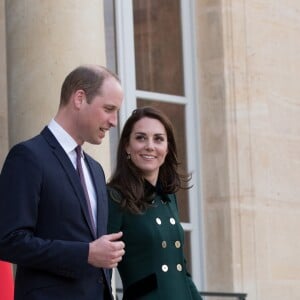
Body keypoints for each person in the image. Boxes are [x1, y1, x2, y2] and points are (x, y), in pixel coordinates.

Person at [0, 64, 125, 300]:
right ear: (79, 98)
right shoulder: (28, 156)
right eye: (108, 109)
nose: (114, 121)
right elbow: (8, 241)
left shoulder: (96, 170)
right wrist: (85, 253)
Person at [107, 106, 202, 299]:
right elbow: (101, 271)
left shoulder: (168, 197)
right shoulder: (114, 196)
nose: (150, 146)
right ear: (127, 145)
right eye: (141, 137)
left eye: (158, 139)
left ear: (167, 148)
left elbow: (181, 271)